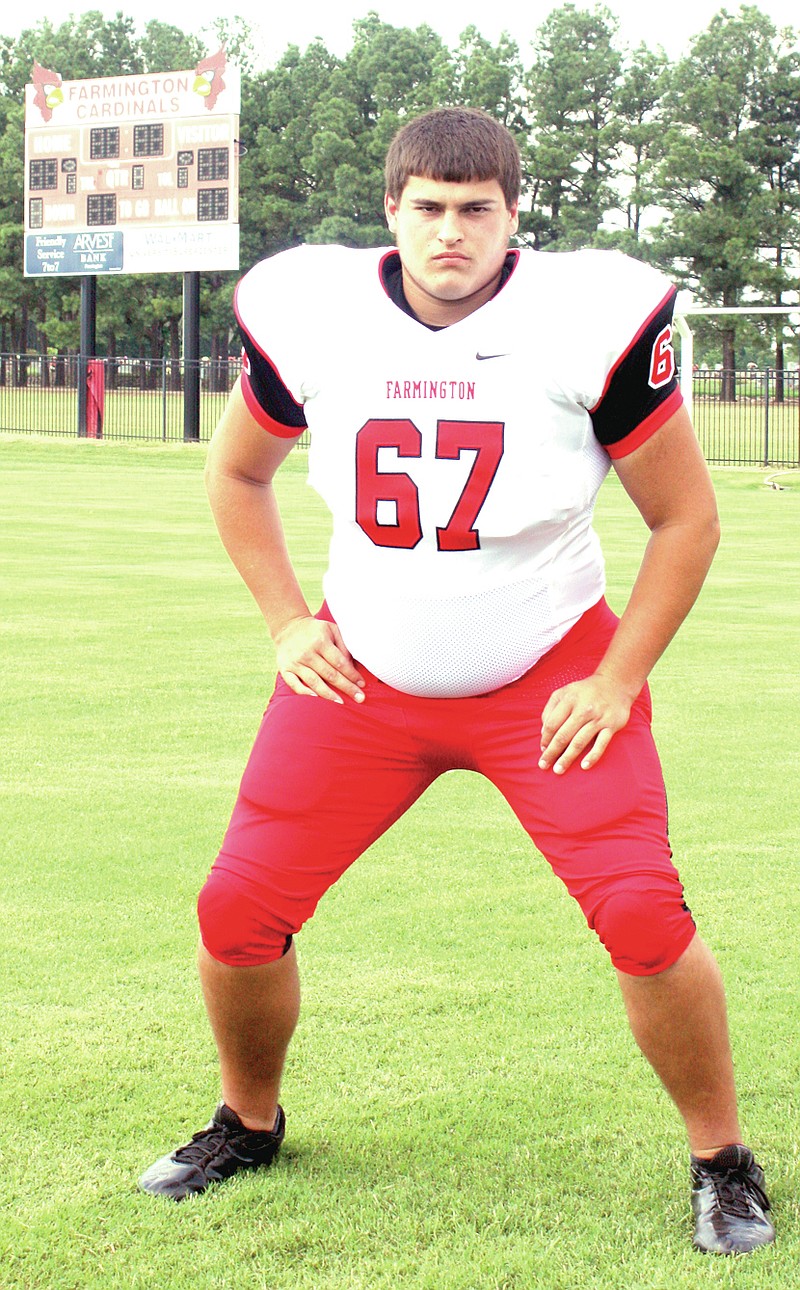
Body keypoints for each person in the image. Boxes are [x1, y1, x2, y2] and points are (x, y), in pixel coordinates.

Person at [139, 107, 774, 1255]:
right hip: (362, 677)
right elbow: (235, 474)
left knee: (640, 913)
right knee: (236, 911)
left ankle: (720, 1157)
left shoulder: (583, 321)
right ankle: (248, 1120)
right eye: (426, 207)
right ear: (389, 210)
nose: (449, 232)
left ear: (512, 216)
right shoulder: (312, 312)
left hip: (545, 676)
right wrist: (287, 623)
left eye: (475, 210)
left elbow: (684, 520)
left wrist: (617, 677)